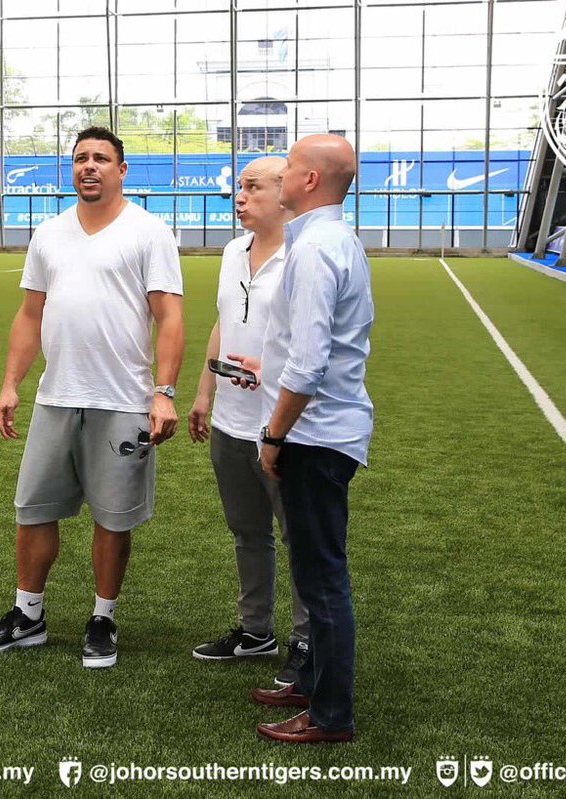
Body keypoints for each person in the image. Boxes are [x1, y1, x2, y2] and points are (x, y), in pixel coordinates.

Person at [0, 126, 184, 669]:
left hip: (124, 400)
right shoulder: (49, 233)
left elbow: (169, 317)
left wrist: (163, 393)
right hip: (56, 396)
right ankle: (28, 616)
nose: (89, 166)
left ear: (121, 170)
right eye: (81, 158)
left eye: (101, 158)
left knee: (113, 518)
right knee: (34, 509)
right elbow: (30, 314)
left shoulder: (149, 232)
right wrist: (11, 383)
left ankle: (103, 619)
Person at [227, 134, 373, 743]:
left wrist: (273, 435)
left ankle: (330, 715)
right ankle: (311, 685)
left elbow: (309, 365)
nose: (280, 173)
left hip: (313, 437)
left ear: (309, 180)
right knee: (316, 574)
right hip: (326, 430)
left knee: (321, 581)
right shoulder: (334, 240)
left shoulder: (313, 250)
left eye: (288, 166)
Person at [187, 157, 310, 682]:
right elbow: (223, 321)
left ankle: (306, 641)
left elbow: (314, 346)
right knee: (247, 531)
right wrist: (204, 392)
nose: (240, 196)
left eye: (252, 187)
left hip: (283, 426)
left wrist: (271, 370)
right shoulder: (232, 251)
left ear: (285, 191)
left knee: (299, 537)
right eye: (239, 187)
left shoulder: (304, 257)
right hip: (230, 422)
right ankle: (255, 631)